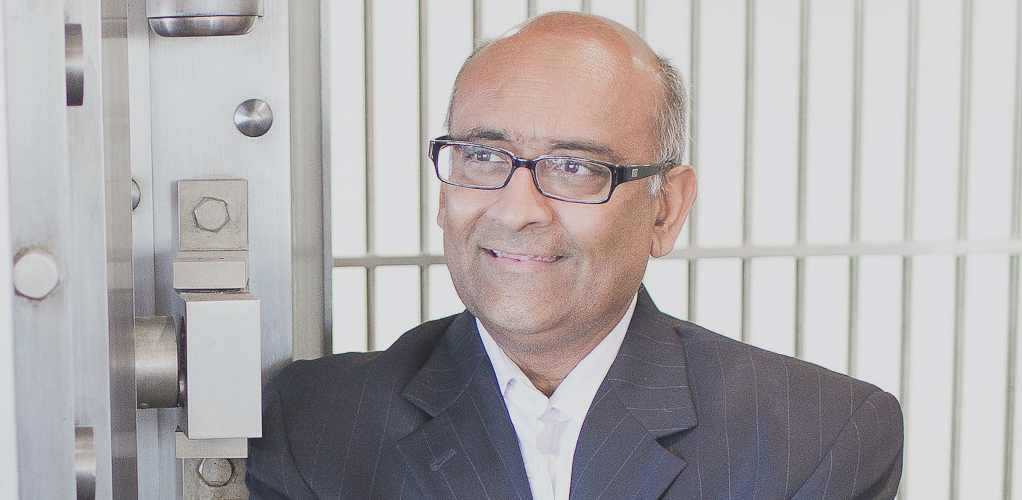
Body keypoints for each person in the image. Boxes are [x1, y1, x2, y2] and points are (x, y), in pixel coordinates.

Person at [248, 11, 902, 500]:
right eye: (482, 156)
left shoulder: (814, 438)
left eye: (575, 166)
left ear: (665, 208)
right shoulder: (311, 424)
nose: (517, 209)